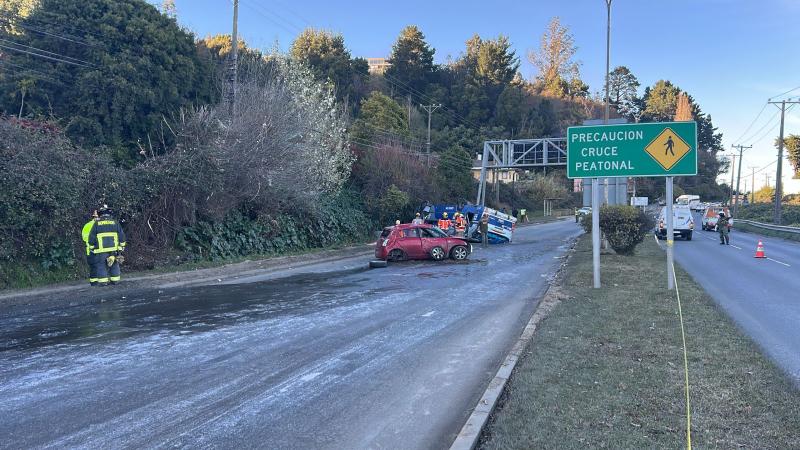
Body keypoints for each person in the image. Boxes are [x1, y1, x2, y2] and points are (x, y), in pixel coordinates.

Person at [86, 204, 126, 286]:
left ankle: (103, 282)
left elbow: (91, 237)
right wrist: (122, 246)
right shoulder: (115, 223)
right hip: (114, 249)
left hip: (101, 250)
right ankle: (115, 280)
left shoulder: (97, 224)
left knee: (101, 265)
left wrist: (92, 247)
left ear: (101, 214)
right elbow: (121, 235)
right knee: (114, 264)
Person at [81, 209, 100, 286]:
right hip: (92, 250)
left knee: (96, 267)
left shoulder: (89, 225)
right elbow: (85, 238)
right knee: (95, 267)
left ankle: (96, 282)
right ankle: (94, 283)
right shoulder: (89, 225)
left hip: (96, 250)